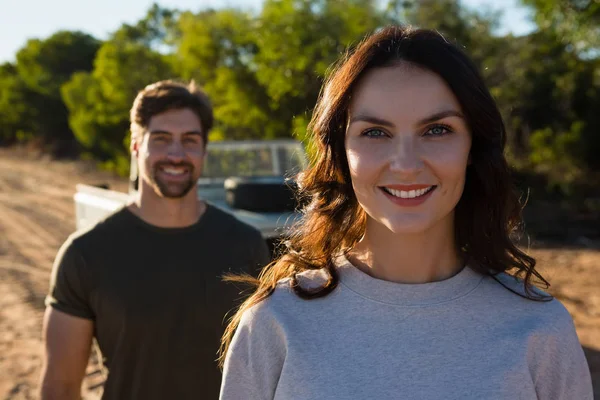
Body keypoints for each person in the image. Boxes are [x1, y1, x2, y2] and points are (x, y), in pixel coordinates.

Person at [218, 26, 593, 400]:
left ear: (473, 148)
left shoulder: (541, 330)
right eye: (376, 133)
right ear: (341, 153)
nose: (406, 164)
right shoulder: (274, 324)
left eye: (437, 130)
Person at [40, 80, 271, 400]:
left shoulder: (247, 244)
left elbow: (267, 367)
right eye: (161, 139)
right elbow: (60, 388)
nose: (176, 154)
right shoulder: (85, 254)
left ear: (204, 149)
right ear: (136, 146)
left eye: (190, 140)